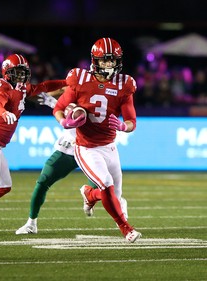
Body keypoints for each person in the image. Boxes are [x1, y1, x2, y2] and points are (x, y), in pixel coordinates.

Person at [0, 54, 67, 232]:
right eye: (17, 72)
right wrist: (4, 113)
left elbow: (43, 87)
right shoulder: (0, 85)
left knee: (4, 186)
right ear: (7, 72)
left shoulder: (22, 88)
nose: (22, 76)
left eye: (24, 72)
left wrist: (65, 82)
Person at [53, 37, 141, 243]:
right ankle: (126, 229)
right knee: (107, 185)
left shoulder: (124, 84)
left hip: (110, 147)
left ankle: (89, 194)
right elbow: (58, 108)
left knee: (115, 197)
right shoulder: (79, 79)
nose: (109, 65)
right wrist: (64, 122)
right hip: (86, 147)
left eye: (113, 61)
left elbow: (131, 121)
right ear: (95, 61)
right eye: (105, 60)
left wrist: (122, 126)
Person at [16, 91, 102, 235]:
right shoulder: (75, 93)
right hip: (68, 150)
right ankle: (31, 223)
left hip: (91, 150)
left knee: (105, 187)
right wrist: (50, 100)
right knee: (43, 181)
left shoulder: (100, 100)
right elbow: (60, 99)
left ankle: (119, 217)